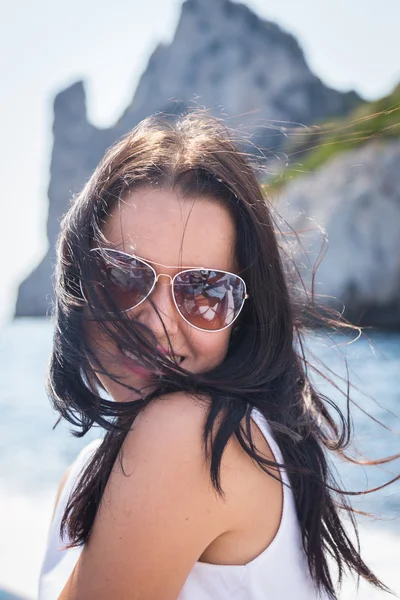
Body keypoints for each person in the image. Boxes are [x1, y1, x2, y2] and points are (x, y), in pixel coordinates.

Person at [38, 111, 393, 600]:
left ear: (242, 318)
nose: (158, 323)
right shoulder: (90, 468)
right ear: (79, 279)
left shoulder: (189, 435)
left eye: (205, 293)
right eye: (123, 278)